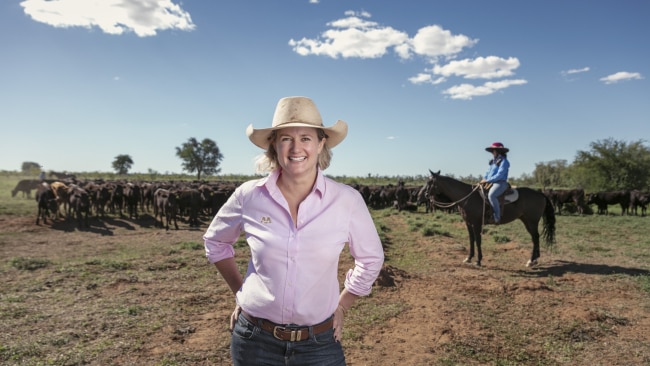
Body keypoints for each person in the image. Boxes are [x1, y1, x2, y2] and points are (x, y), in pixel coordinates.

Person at [203, 96, 385, 365]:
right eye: (286, 138)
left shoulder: (347, 200)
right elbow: (215, 242)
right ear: (274, 145)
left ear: (321, 143)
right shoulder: (249, 196)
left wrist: (343, 305)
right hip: (254, 341)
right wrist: (240, 291)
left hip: (319, 344)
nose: (296, 147)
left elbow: (371, 259)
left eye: (306, 138)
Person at [479, 142, 510, 224]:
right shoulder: (493, 162)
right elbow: (487, 172)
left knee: (491, 195)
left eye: (494, 151)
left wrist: (488, 180)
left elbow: (499, 175)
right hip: (490, 182)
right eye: (492, 151)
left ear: (498, 151)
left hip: (500, 183)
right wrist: (483, 179)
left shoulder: (504, 162)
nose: (492, 153)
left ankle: (497, 217)